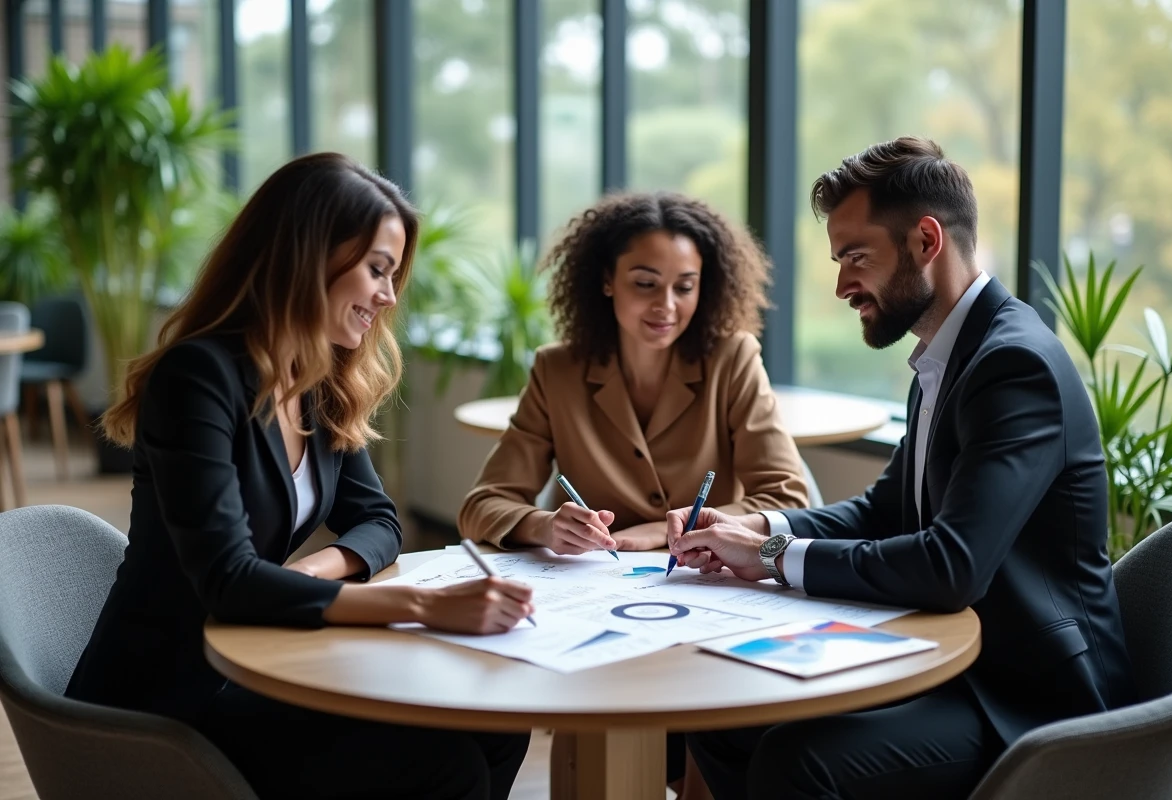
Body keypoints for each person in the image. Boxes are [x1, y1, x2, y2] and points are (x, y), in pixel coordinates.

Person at [667, 137, 1137, 800]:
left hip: (1027, 698)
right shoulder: (946, 359)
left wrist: (772, 554)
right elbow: (884, 509)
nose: (840, 286)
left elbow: (951, 567)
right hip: (960, 663)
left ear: (924, 241)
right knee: (725, 718)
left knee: (799, 762)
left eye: (855, 256)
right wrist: (754, 526)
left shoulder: (1014, 366)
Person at [67, 153, 534, 800]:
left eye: (393, 275)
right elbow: (229, 582)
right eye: (376, 270)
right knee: (441, 763)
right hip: (171, 697)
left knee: (492, 725)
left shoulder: (318, 382)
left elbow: (380, 522)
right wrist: (426, 605)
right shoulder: (198, 377)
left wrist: (311, 571)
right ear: (310, 256)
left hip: (254, 661)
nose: (389, 296)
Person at [457, 191, 810, 796]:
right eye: (646, 283)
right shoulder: (557, 370)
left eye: (685, 285)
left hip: (707, 605)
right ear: (606, 282)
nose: (667, 306)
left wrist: (655, 532)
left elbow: (792, 500)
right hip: (598, 614)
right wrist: (545, 525)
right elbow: (482, 504)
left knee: (722, 741)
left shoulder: (733, 360)